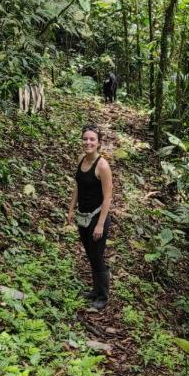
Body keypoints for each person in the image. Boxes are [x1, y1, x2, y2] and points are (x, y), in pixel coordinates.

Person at [66, 125, 113, 310]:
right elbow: (78, 186)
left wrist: (100, 224)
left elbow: (108, 197)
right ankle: (95, 291)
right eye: (85, 138)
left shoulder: (102, 165)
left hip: (97, 218)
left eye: (92, 139)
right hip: (83, 216)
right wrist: (70, 209)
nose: (88, 142)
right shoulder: (81, 160)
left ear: (98, 143)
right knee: (90, 254)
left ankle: (103, 295)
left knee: (97, 256)